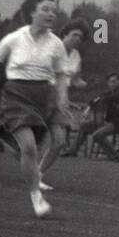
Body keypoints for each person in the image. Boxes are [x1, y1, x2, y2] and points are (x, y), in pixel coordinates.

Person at [0, 0, 67, 218]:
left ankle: (0, 131)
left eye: (54, 11)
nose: (51, 14)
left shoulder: (57, 44)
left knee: (57, 141)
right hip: (17, 95)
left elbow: (60, 75)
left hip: (45, 96)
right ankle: (36, 196)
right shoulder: (14, 38)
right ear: (32, 12)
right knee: (28, 148)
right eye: (45, 9)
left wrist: (62, 96)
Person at [41, 19, 91, 179]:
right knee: (30, 141)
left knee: (59, 142)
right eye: (74, 35)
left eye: (80, 37)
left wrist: (91, 85)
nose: (77, 39)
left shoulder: (76, 56)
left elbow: (76, 80)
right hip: (42, 96)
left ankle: (37, 175)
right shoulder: (52, 49)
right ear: (64, 35)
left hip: (60, 100)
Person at [69, 72, 119, 161]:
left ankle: (116, 156)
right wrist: (88, 108)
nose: (112, 84)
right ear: (108, 83)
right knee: (84, 126)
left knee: (97, 135)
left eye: (114, 81)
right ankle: (72, 151)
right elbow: (94, 100)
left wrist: (98, 100)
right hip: (108, 122)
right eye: (110, 82)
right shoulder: (108, 92)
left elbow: (109, 98)